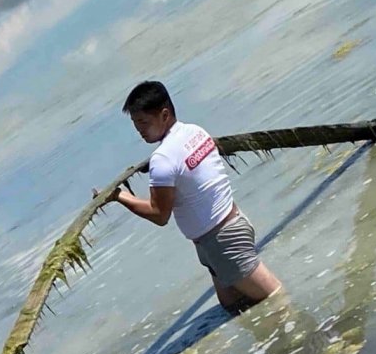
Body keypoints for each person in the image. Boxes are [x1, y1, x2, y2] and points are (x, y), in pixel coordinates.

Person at [96, 81, 281, 313]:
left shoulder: (162, 159)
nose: (140, 131)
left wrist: (119, 196)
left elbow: (159, 215)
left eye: (144, 122)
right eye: (136, 125)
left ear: (164, 115)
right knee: (234, 305)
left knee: (277, 299)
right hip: (227, 227)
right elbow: (190, 169)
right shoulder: (196, 132)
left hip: (222, 240)